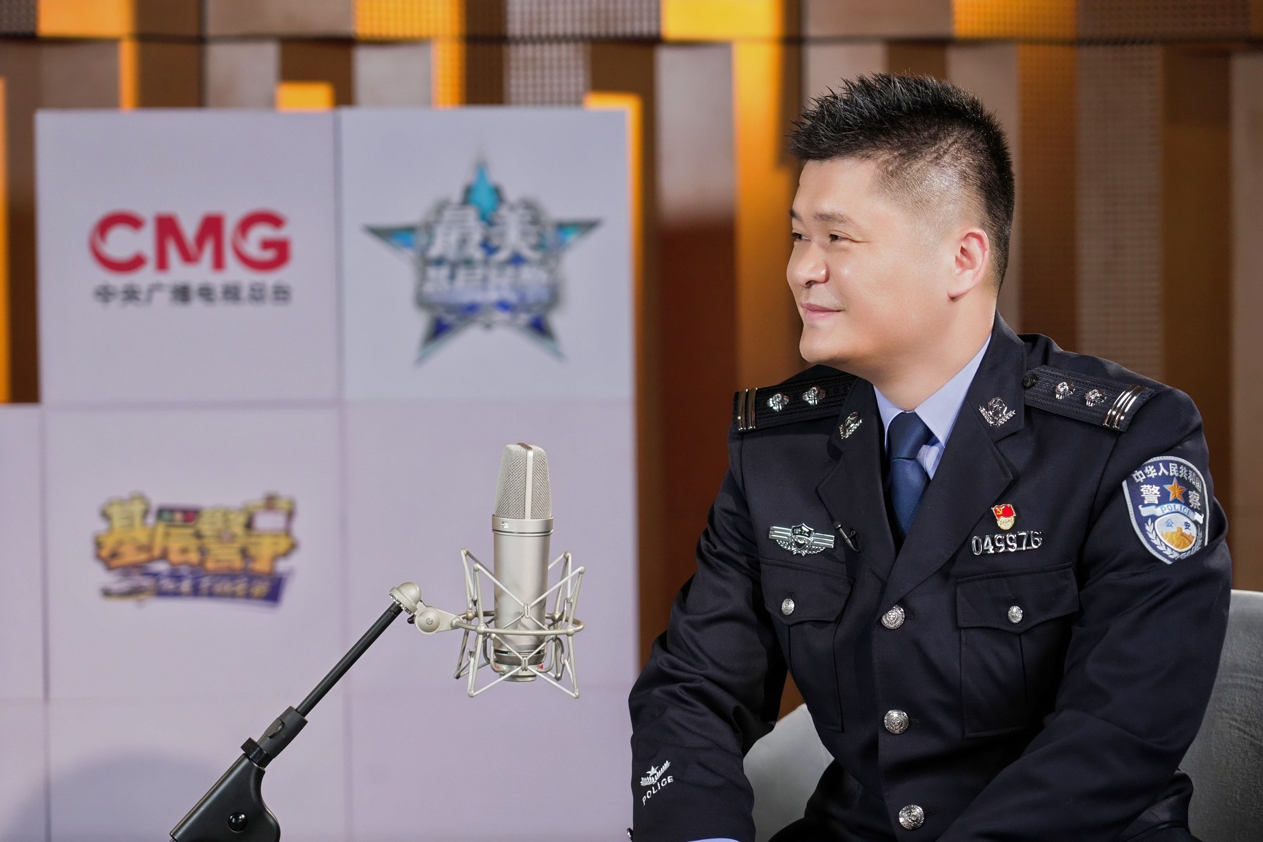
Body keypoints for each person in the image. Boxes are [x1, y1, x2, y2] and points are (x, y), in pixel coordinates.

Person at [628, 74, 1231, 842]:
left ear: (962, 259)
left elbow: (1120, 729)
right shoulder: (778, 447)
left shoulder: (1123, 441)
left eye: (836, 238)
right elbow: (694, 687)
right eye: (798, 235)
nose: (802, 269)